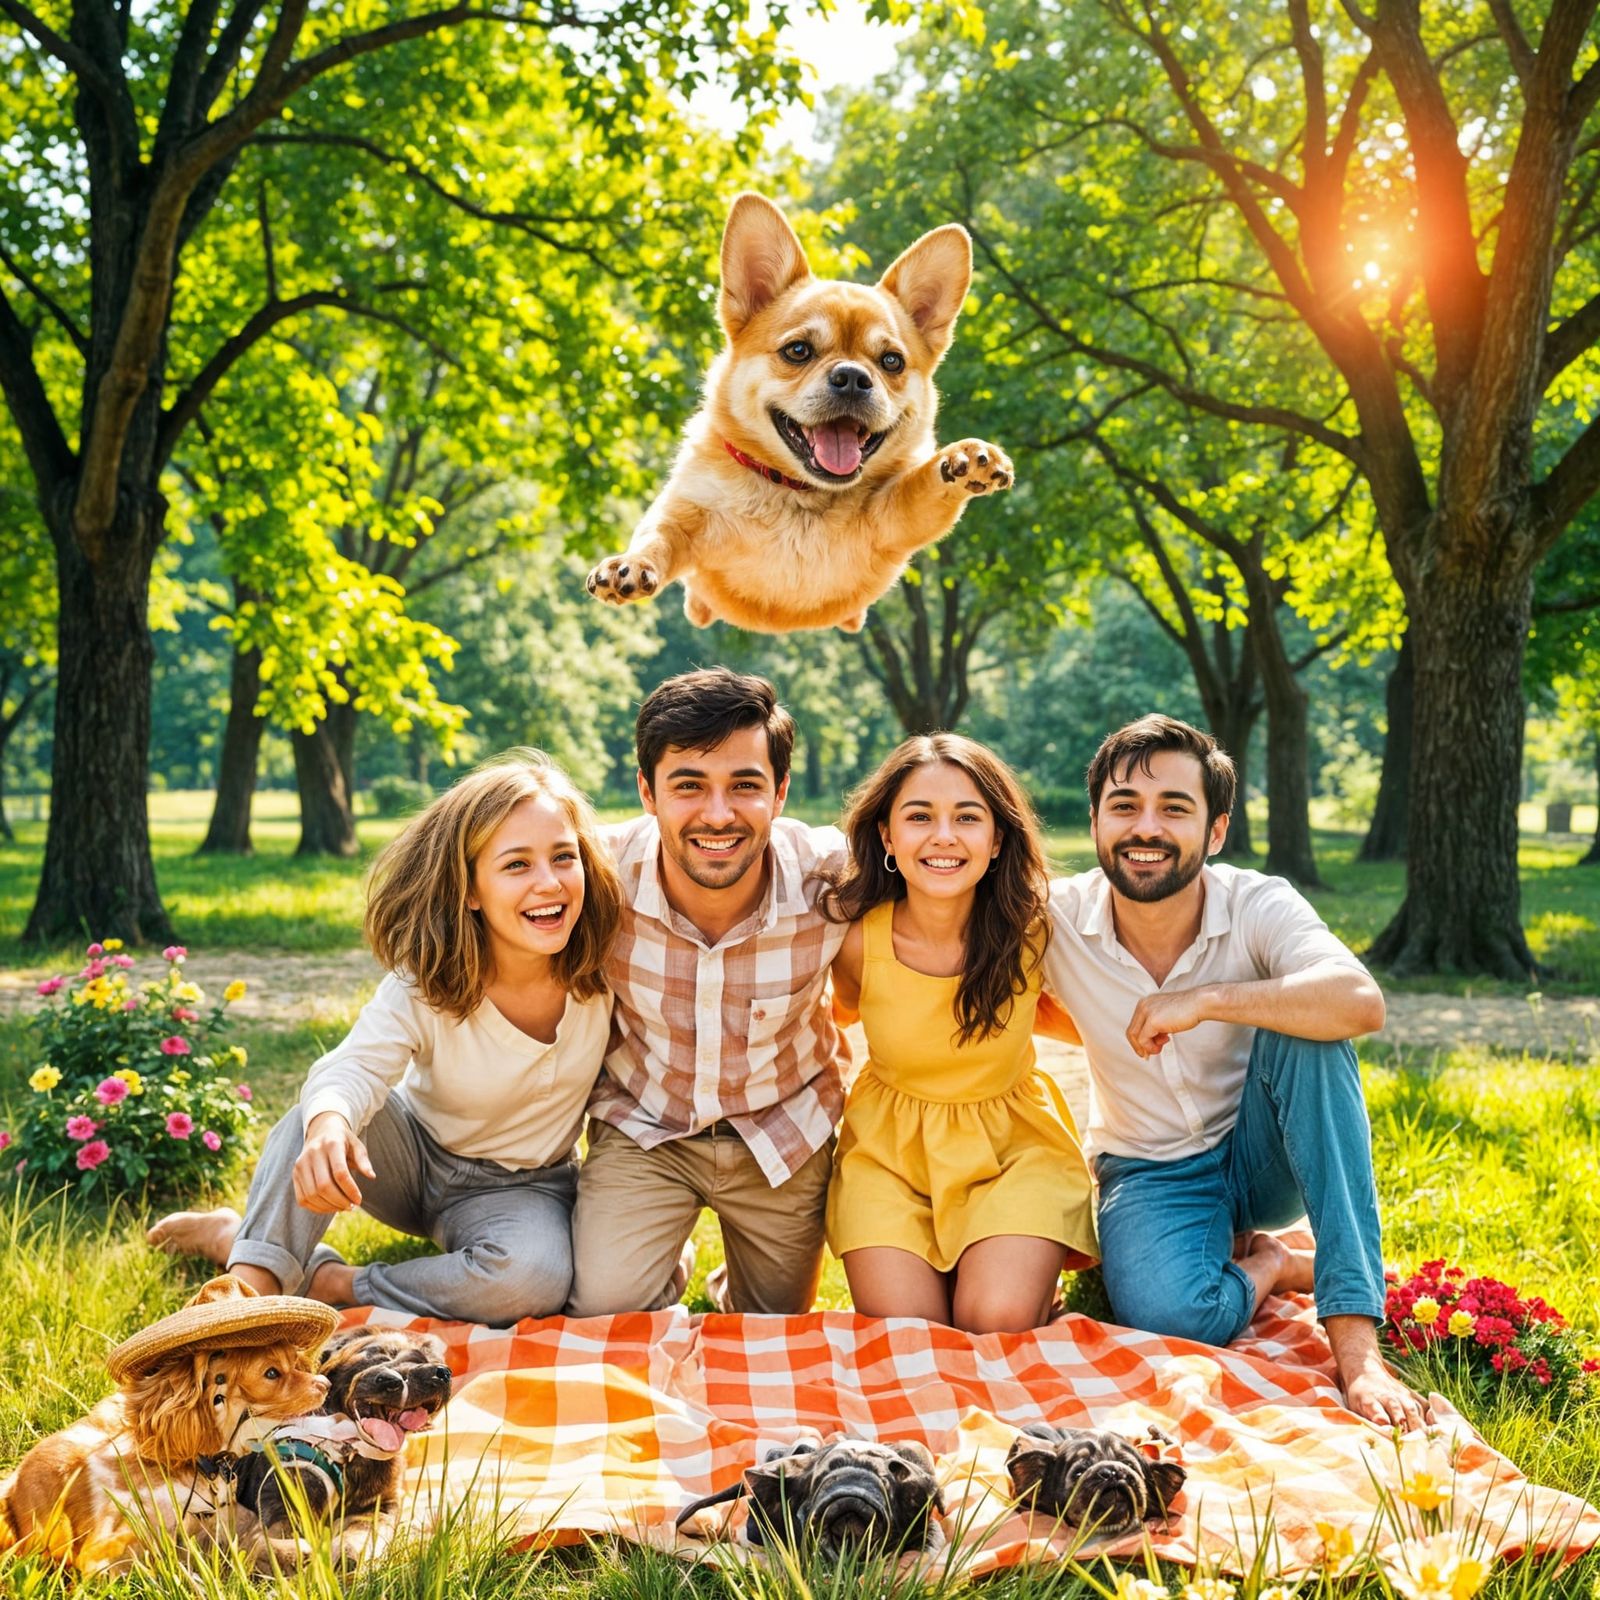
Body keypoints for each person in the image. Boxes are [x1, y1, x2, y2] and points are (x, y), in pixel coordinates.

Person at [1041, 714, 1427, 1429]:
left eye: (1174, 808)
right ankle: (1272, 1265)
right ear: (1093, 821)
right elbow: (994, 994)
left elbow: (1361, 1001)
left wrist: (1206, 1001)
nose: (1145, 828)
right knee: (1175, 1316)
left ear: (1215, 832)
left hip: (1262, 1151)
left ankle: (1355, 1339)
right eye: (1124, 806)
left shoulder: (1256, 902)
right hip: (1147, 1165)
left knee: (1313, 1031)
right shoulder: (1054, 919)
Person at [148, 751, 623, 1325]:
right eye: (516, 865)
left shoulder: (609, 970)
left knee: (533, 1280)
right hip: (408, 1156)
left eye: (563, 857)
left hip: (522, 1187)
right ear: (470, 889)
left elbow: (667, 831)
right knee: (318, 1115)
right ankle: (250, 1284)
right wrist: (330, 1124)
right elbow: (354, 1068)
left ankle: (331, 1281)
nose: (548, 882)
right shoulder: (431, 979)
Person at [565, 668, 849, 1318]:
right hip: (644, 1124)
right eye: (688, 786)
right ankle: (663, 1258)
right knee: (605, 1309)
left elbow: (953, 870)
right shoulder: (595, 878)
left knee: (774, 1326)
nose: (717, 815)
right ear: (647, 790)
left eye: (744, 787)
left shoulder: (832, 876)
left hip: (784, 1131)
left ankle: (735, 1275)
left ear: (779, 793)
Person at [822, 734, 1098, 1333]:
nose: (943, 836)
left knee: (993, 1318)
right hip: (888, 1155)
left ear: (997, 839)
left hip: (1012, 1149)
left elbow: (1093, 1021)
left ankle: (1016, 1266)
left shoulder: (1035, 931)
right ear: (887, 837)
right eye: (919, 817)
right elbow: (836, 1019)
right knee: (910, 1331)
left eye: (967, 818)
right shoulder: (855, 941)